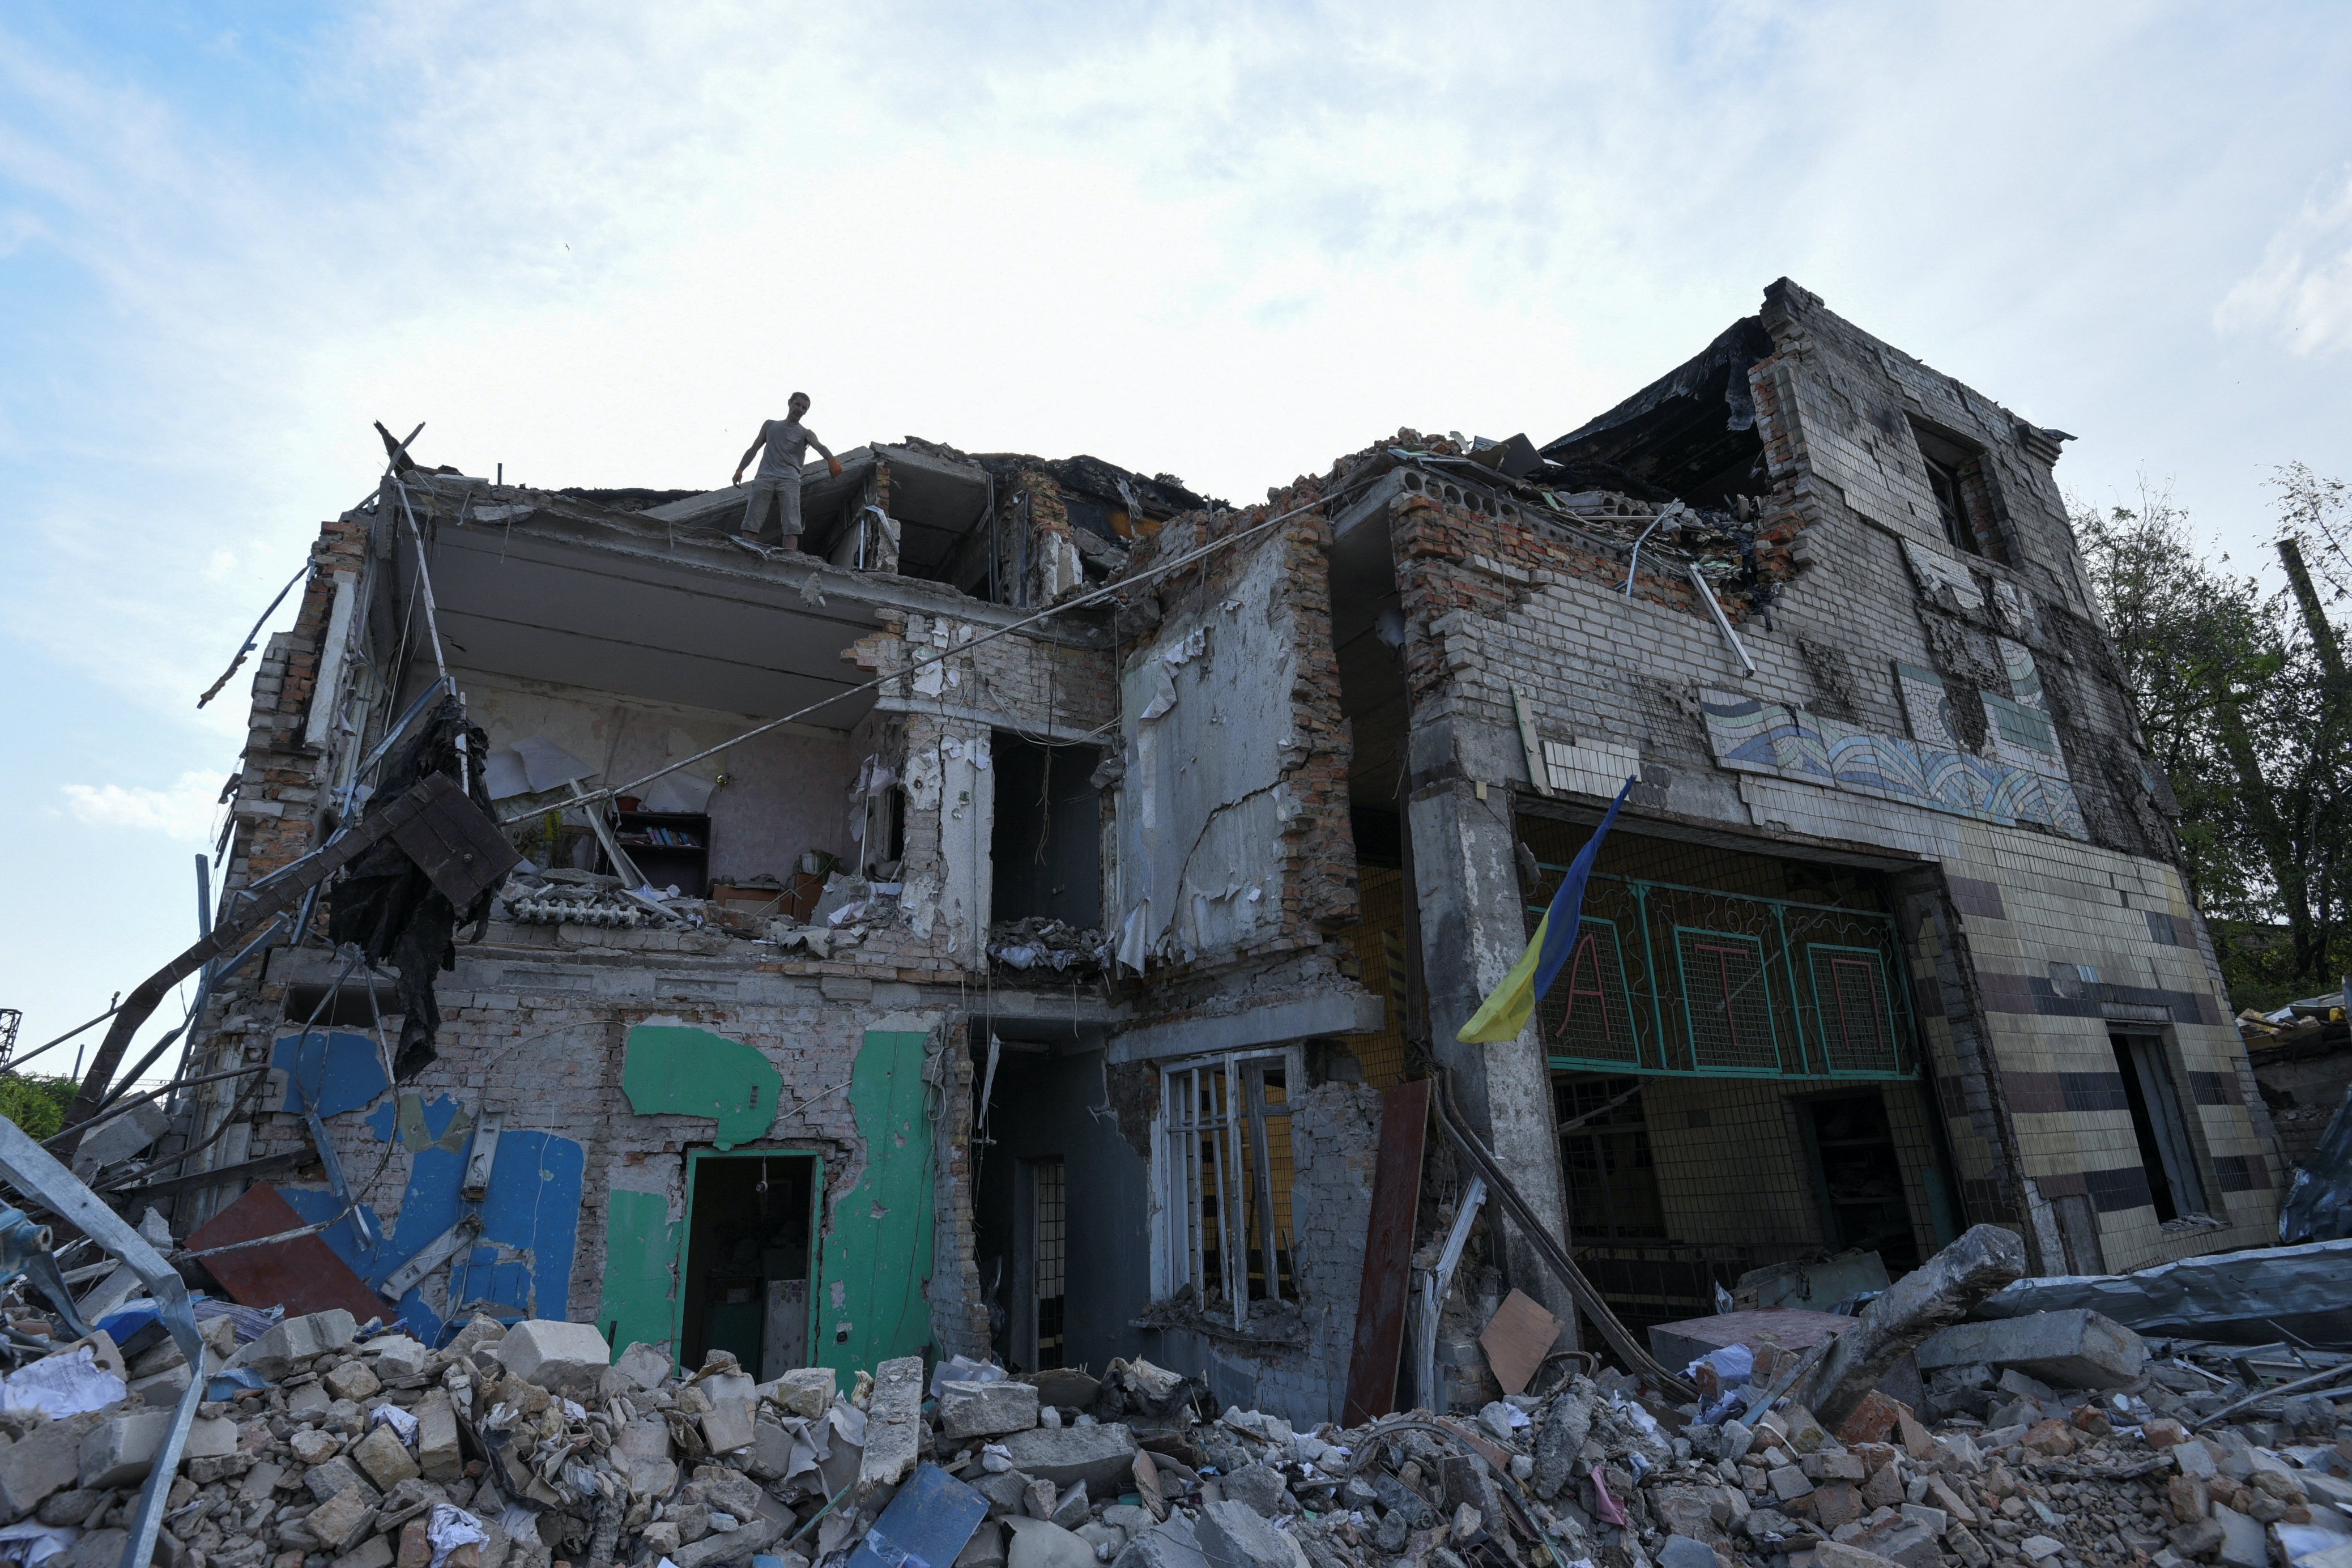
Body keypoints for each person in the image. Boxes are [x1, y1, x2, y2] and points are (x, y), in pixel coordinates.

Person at [731, 393, 843, 549]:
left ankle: (789, 558)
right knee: (752, 521)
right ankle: (746, 554)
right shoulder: (770, 425)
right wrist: (740, 469)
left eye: (804, 408)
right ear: (790, 403)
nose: (800, 409)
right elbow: (754, 449)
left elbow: (820, 446)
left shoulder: (806, 433)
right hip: (765, 476)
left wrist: (831, 460)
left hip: (789, 480)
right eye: (797, 404)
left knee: (792, 524)